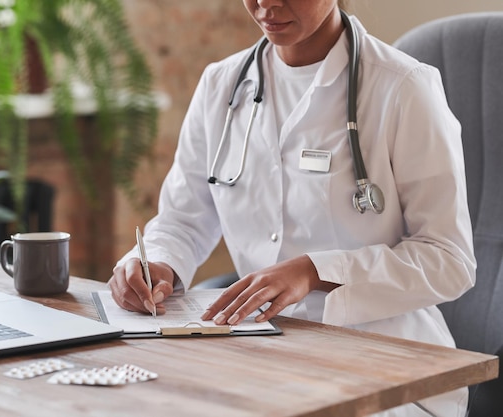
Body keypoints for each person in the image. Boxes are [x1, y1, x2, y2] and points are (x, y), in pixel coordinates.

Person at [109, 1, 476, 416]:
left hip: (387, 363)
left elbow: (450, 260)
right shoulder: (221, 85)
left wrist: (316, 272)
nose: (268, 3)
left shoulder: (403, 86)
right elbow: (182, 220)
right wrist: (156, 263)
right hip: (260, 355)